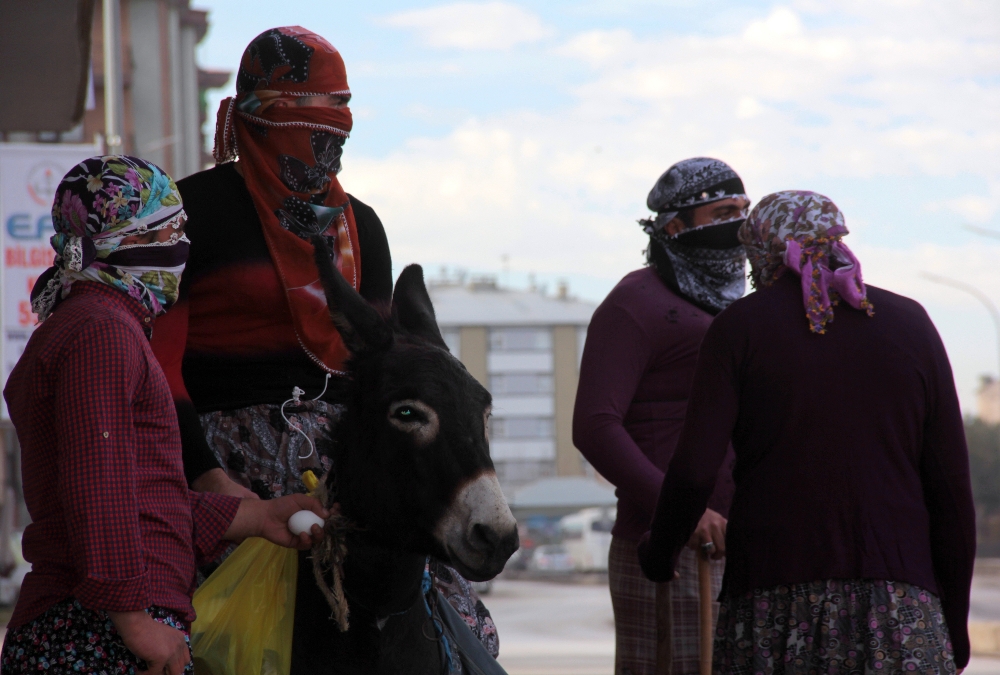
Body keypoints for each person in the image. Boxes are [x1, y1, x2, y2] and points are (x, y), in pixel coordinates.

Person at [149, 26, 498, 654]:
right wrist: (207, 477)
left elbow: (385, 368)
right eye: (312, 119)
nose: (330, 138)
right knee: (192, 631)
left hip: (347, 453)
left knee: (448, 624)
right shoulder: (189, 211)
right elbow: (161, 366)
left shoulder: (362, 224)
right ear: (259, 115)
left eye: (341, 117)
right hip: (225, 459)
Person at [1, 156, 327, 675]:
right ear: (131, 240)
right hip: (96, 633)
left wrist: (262, 517)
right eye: (172, 229)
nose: (184, 249)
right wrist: (135, 624)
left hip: (99, 623)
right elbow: (99, 488)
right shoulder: (100, 332)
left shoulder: (99, 326)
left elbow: (142, 498)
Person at [639, 190, 975, 674]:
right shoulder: (911, 323)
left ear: (760, 247)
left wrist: (660, 550)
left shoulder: (740, 328)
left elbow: (694, 471)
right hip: (901, 605)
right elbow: (950, 491)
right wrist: (952, 623)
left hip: (774, 602)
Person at [573, 157, 749, 675]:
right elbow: (594, 426)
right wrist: (680, 514)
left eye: (743, 209)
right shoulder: (635, 304)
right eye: (721, 212)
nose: (738, 224)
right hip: (669, 550)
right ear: (674, 227)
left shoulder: (734, 304)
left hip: (740, 546)